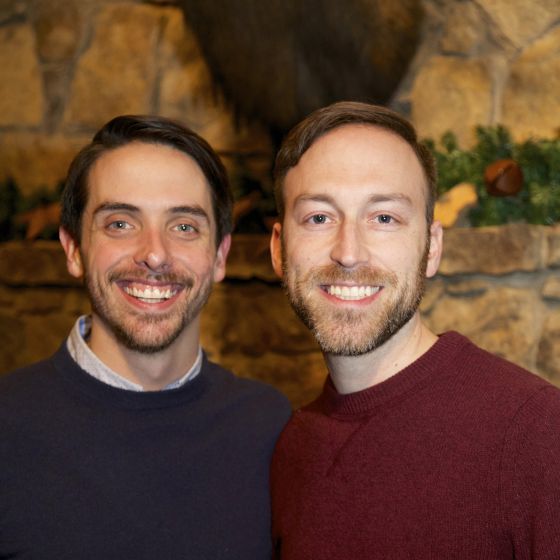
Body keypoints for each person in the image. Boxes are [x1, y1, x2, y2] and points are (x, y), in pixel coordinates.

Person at [269, 101, 560, 559]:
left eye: (384, 218)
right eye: (319, 218)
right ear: (278, 250)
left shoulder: (535, 431)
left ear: (431, 248)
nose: (349, 252)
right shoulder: (292, 447)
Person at [0, 115, 291, 559]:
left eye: (184, 227)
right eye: (120, 224)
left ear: (219, 256)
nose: (155, 254)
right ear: (74, 249)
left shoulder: (270, 428)